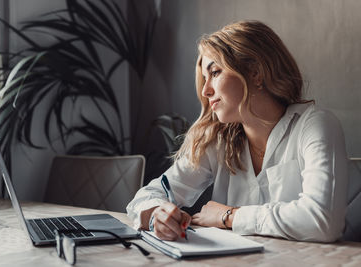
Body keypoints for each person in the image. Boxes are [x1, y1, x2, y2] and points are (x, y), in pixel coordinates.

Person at [126, 20, 348, 242]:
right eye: (204, 78)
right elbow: (146, 197)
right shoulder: (218, 140)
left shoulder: (316, 125)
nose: (205, 90)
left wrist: (228, 216)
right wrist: (158, 214)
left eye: (214, 72)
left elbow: (322, 221)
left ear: (255, 72)